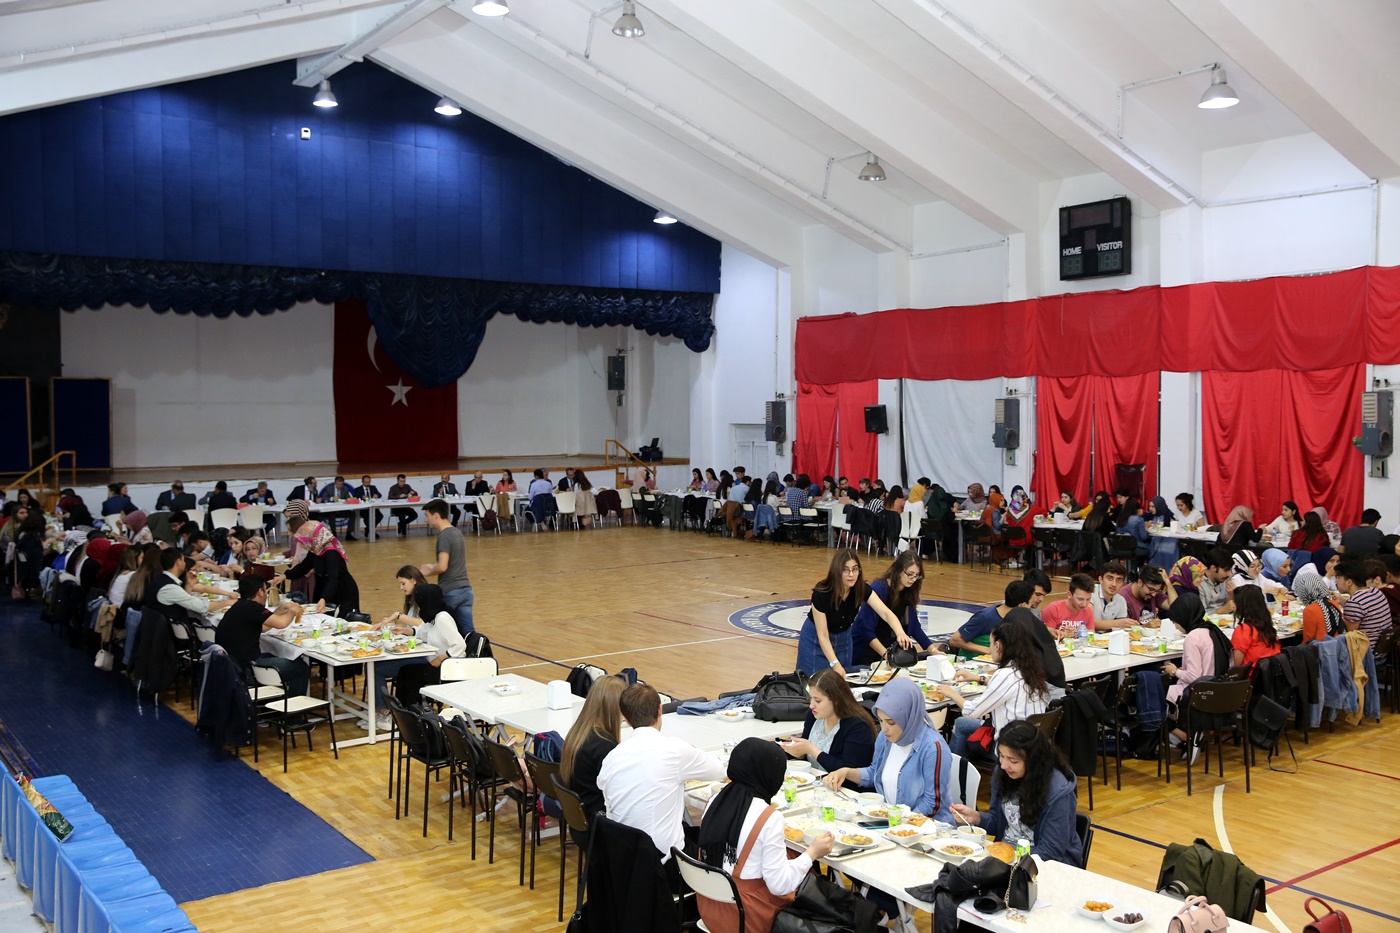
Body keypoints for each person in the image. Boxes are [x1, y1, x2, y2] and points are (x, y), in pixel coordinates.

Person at [697, 738, 832, 933]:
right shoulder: (768, 817)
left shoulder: (715, 800)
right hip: (745, 917)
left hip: (709, 907)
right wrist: (812, 853)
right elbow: (779, 886)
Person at [596, 683, 725, 864]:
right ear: (660, 710)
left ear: (626, 719)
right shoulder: (674, 750)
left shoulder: (611, 758)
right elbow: (719, 770)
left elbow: (610, 807)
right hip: (664, 863)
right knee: (720, 845)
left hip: (622, 859)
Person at [949, 719, 1082, 866]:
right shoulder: (1003, 774)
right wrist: (977, 818)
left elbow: (1051, 851)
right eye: (1001, 756)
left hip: (1041, 865)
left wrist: (1012, 867)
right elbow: (998, 824)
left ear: (1033, 760)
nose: (1004, 765)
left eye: (1013, 760)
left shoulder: (1058, 791)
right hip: (1005, 857)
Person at [821, 678, 953, 822]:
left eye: (891, 722)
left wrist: (899, 822)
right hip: (892, 821)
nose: (884, 729)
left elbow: (932, 803)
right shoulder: (885, 738)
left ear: (909, 717)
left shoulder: (932, 748)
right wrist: (846, 772)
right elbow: (874, 773)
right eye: (880, 721)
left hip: (925, 826)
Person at [795, 548, 913, 676]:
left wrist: (900, 633)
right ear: (837, 571)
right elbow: (822, 635)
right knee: (814, 680)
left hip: (843, 637)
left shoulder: (861, 589)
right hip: (816, 639)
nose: (851, 574)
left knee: (843, 680)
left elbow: (886, 613)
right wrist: (835, 663)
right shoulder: (822, 593)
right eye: (846, 570)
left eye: (855, 569)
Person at [943, 623, 1051, 757]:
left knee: (961, 722)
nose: (990, 649)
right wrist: (979, 679)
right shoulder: (1031, 668)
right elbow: (1011, 687)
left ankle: (955, 768)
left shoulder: (1004, 674)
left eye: (990, 644)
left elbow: (972, 712)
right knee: (962, 723)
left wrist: (951, 693)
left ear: (998, 646)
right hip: (1035, 742)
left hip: (1011, 748)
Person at [1160, 594, 1233, 761]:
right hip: (1218, 689)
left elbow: (1194, 676)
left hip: (1198, 692)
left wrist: (1174, 671)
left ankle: (1186, 736)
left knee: (1156, 696)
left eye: (1175, 621)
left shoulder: (1193, 638)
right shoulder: (1212, 630)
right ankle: (1186, 736)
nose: (1176, 626)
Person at [778, 668, 876, 786]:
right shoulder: (814, 716)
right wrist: (797, 751)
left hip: (844, 791)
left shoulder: (858, 727)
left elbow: (849, 775)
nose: (811, 706)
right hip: (815, 785)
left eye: (818, 701)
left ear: (836, 700)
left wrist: (813, 750)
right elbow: (806, 759)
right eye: (810, 699)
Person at [379, 583, 468, 713]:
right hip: (438, 665)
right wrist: (405, 631)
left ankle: (414, 714)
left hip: (449, 668)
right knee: (405, 671)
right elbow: (422, 632)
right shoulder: (433, 616)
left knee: (411, 678)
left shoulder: (442, 618)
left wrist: (440, 659)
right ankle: (402, 711)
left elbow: (460, 645)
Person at [216, 576, 310, 695]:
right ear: (260, 592)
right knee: (301, 668)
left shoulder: (240, 606)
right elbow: (281, 623)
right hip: (246, 670)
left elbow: (264, 627)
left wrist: (282, 608)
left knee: (277, 655)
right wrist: (292, 612)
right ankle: (295, 705)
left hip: (231, 666)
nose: (266, 594)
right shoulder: (253, 607)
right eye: (266, 590)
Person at [561, 675, 627, 828]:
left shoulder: (578, 732)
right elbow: (620, 792)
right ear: (615, 708)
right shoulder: (604, 746)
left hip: (580, 819)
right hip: (598, 825)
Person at [851, 552, 937, 664]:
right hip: (866, 650)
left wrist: (933, 650)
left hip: (889, 649)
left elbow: (914, 627)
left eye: (917, 575)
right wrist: (886, 656)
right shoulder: (878, 590)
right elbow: (865, 631)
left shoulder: (908, 592)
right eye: (910, 574)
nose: (913, 579)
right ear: (898, 570)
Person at [283, 500, 360, 612]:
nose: (303, 543)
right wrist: (284, 576)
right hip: (324, 588)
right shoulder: (316, 549)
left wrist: (324, 598)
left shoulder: (331, 553)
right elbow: (304, 567)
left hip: (341, 591)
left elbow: (333, 579)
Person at [419, 499, 475, 637]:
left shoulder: (444, 536)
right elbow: (452, 561)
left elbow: (443, 567)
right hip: (466, 590)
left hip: (451, 591)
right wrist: (433, 565)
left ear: (436, 516)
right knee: (468, 633)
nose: (426, 520)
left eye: (427, 516)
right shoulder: (457, 532)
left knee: (440, 631)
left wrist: (428, 571)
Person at [145, 549, 234, 625]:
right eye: (183, 560)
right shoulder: (169, 588)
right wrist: (228, 602)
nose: (185, 564)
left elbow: (186, 605)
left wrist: (189, 586)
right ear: (178, 562)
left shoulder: (160, 580)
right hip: (169, 634)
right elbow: (203, 607)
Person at [948, 580, 1035, 656]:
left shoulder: (1018, 619)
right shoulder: (985, 617)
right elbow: (955, 640)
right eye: (1030, 603)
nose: (1031, 607)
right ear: (1022, 605)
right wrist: (988, 650)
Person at [1337, 558, 1393, 651]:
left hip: (1365, 653)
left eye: (1338, 578)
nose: (1336, 582)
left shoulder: (1355, 602)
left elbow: (1348, 635)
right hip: (1384, 649)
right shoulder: (1376, 592)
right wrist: (1344, 603)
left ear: (1349, 582)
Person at [1230, 584, 1281, 671]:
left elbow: (1236, 665)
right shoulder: (1267, 626)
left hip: (1252, 676)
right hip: (1272, 674)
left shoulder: (1244, 630)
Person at [1041, 573, 1097, 638]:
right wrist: (1063, 634)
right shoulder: (1053, 609)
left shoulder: (1088, 611)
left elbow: (1091, 634)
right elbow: (1045, 636)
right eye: (1080, 599)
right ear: (1069, 595)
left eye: (1088, 599)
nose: (1084, 604)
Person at [1294, 571, 1344, 643]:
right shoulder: (1333, 603)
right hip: (1337, 644)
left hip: (1320, 647)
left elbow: (1308, 639)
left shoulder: (1309, 610)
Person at [1091, 562, 1130, 628]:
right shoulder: (1090, 592)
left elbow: (1121, 628)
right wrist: (1117, 623)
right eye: (1110, 578)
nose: (1114, 584)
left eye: (1118, 580)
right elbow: (1087, 622)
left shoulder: (1121, 600)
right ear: (1101, 579)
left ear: (1123, 584)